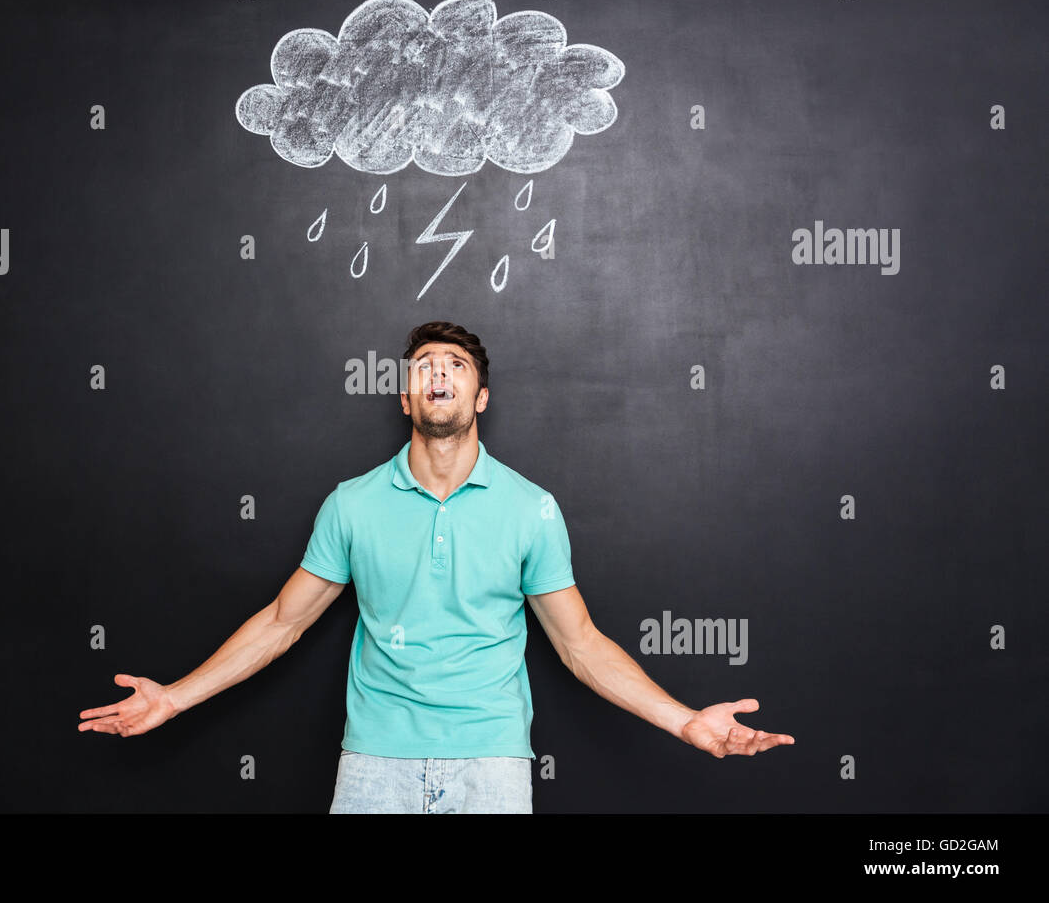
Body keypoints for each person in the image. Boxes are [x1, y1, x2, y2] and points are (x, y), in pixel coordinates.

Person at [78, 321, 794, 812]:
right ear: (404, 397)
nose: (439, 373)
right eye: (424, 366)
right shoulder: (351, 504)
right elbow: (280, 624)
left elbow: (581, 647)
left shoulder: (531, 509)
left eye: (456, 366)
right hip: (373, 767)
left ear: (480, 397)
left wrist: (685, 722)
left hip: (493, 768)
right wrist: (173, 696)